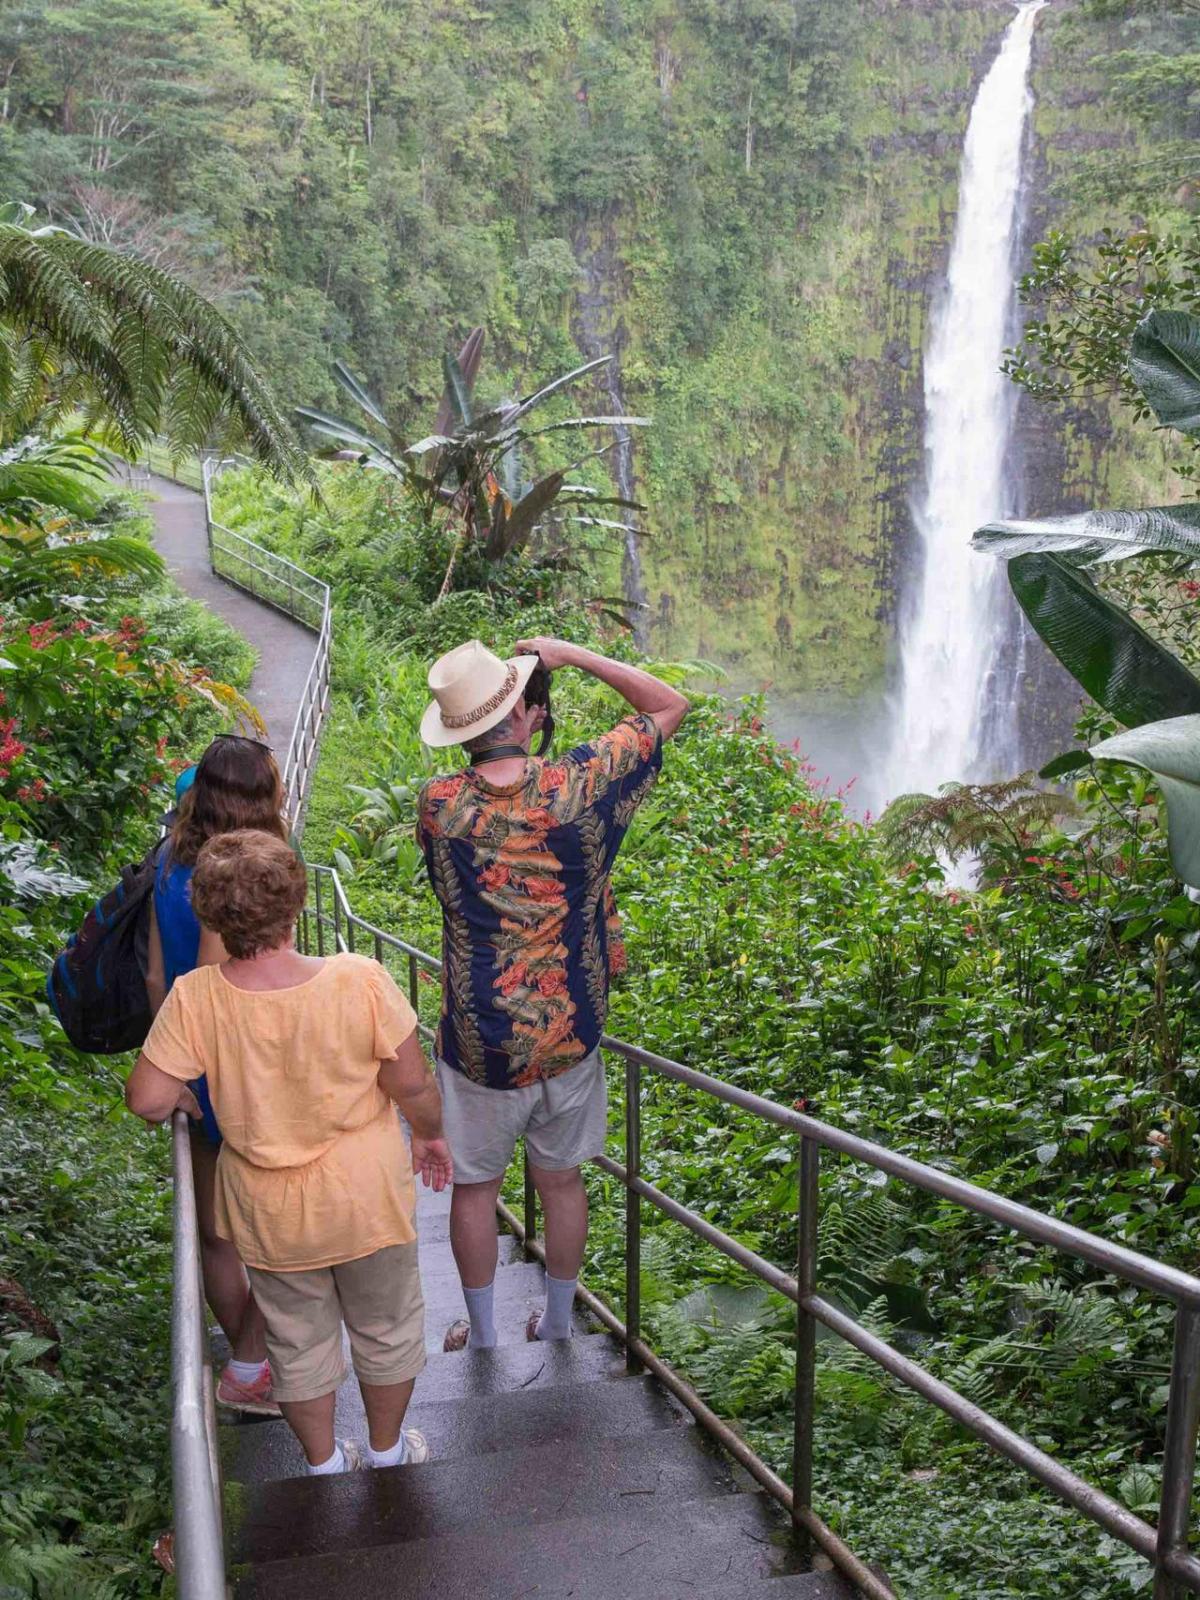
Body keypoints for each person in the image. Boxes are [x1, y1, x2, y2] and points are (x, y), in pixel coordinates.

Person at [126, 829, 452, 1475]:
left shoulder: (198, 997)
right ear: (296, 901)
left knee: (296, 1341)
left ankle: (324, 1463)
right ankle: (388, 1452)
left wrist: (189, 1100)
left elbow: (147, 1098)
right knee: (385, 1327)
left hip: (270, 1210)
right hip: (365, 1197)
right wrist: (432, 1135)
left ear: (210, 914)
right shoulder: (359, 978)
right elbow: (409, 1080)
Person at [416, 636, 689, 1351]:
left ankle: (481, 1338)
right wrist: (575, 655)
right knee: (562, 1183)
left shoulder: (439, 805)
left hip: (480, 1040)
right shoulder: (580, 783)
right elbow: (670, 703)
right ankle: (559, 1324)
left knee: (476, 1190)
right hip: (570, 1031)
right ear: (524, 713)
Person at [145, 734, 288, 1413]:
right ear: (257, 796)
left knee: (216, 1234)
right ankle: (260, 1364)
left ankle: (249, 1364)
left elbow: (156, 976)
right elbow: (214, 979)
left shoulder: (169, 863)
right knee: (279, 1221)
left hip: (194, 1074)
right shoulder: (248, 872)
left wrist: (175, 1065)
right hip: (246, 1073)